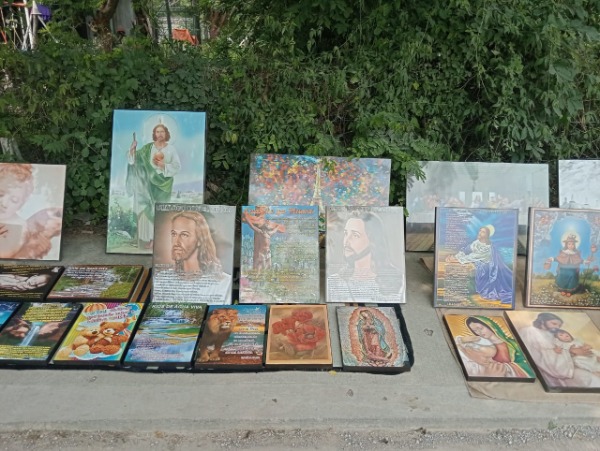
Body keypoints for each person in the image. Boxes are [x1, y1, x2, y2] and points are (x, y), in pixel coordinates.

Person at [154, 210, 232, 303]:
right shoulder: (162, 279)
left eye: (184, 235)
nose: (176, 242)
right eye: (174, 234)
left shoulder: (224, 283)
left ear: (200, 240)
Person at [327, 211, 403, 303]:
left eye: (355, 235)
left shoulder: (397, 282)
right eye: (346, 233)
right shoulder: (333, 282)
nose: (346, 240)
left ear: (373, 240)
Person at [126, 124, 181, 249]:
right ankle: (149, 238)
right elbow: (134, 160)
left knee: (159, 212)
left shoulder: (171, 149)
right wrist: (132, 149)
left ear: (166, 133)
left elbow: (177, 166)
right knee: (148, 210)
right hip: (147, 185)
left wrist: (163, 166)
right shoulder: (148, 148)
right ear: (154, 134)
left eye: (162, 131)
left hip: (163, 186)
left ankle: (159, 239)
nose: (160, 134)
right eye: (157, 131)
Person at [518, 312, 600, 388]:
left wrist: (573, 350)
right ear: (543, 321)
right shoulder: (528, 331)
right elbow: (533, 354)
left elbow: (566, 345)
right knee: (588, 378)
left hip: (567, 364)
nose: (557, 327)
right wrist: (570, 351)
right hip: (552, 369)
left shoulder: (553, 335)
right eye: (554, 323)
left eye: (559, 325)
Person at [0, 164, 63, 259]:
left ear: (21, 205)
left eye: (14, 200)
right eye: (0, 194)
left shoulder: (19, 227)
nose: (4, 203)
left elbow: (5, 256)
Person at [445, 225, 513, 305]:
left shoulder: (488, 248)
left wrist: (457, 260)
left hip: (486, 267)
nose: (480, 233)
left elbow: (475, 256)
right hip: (478, 262)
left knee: (480, 267)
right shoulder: (476, 243)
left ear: (487, 235)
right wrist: (455, 257)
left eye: (483, 232)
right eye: (480, 231)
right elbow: (466, 250)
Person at [456, 316, 534, 378]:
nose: (479, 332)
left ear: (490, 326)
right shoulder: (477, 343)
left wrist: (505, 368)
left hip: (507, 374)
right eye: (475, 330)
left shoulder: (513, 344)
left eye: (480, 328)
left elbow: (527, 364)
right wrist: (461, 339)